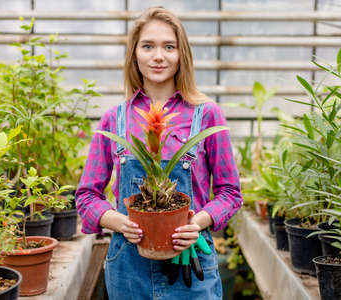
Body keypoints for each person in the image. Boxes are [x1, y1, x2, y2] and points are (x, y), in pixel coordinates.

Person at [76, 6, 243, 299]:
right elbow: (86, 196)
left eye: (169, 46)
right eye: (148, 46)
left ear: (182, 55)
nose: (158, 56)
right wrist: (120, 222)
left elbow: (231, 193)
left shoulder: (206, 116)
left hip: (189, 263)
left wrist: (196, 223)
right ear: (134, 54)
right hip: (127, 268)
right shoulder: (114, 120)